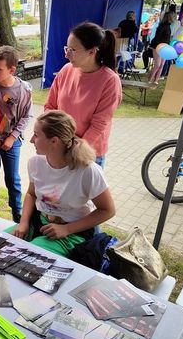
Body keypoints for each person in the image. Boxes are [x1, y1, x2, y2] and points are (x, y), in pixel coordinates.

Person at [13, 110, 115, 257]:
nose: (31, 140)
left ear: (54, 141)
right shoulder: (35, 163)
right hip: (40, 221)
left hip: (72, 233)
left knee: (27, 256)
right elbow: (31, 194)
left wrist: (67, 229)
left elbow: (108, 210)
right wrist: (23, 223)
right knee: (1, 245)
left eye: (36, 135)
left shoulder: (87, 170)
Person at [45, 22, 122, 168]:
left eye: (73, 50)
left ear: (92, 52)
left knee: (83, 191)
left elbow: (99, 125)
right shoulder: (66, 70)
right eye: (67, 48)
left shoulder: (110, 81)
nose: (67, 54)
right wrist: (59, 138)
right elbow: (50, 106)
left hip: (86, 152)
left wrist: (72, 147)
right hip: (60, 146)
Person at [0, 46, 33, 222]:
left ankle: (18, 218)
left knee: (12, 180)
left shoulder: (23, 90)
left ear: (11, 70)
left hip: (12, 143)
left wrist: (12, 137)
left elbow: (27, 115)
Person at [148, 11, 174, 84]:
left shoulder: (169, 26)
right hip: (157, 46)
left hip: (164, 47)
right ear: (169, 18)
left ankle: (156, 80)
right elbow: (157, 37)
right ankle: (150, 79)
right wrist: (159, 47)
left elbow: (167, 38)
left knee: (162, 64)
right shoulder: (162, 26)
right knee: (157, 65)